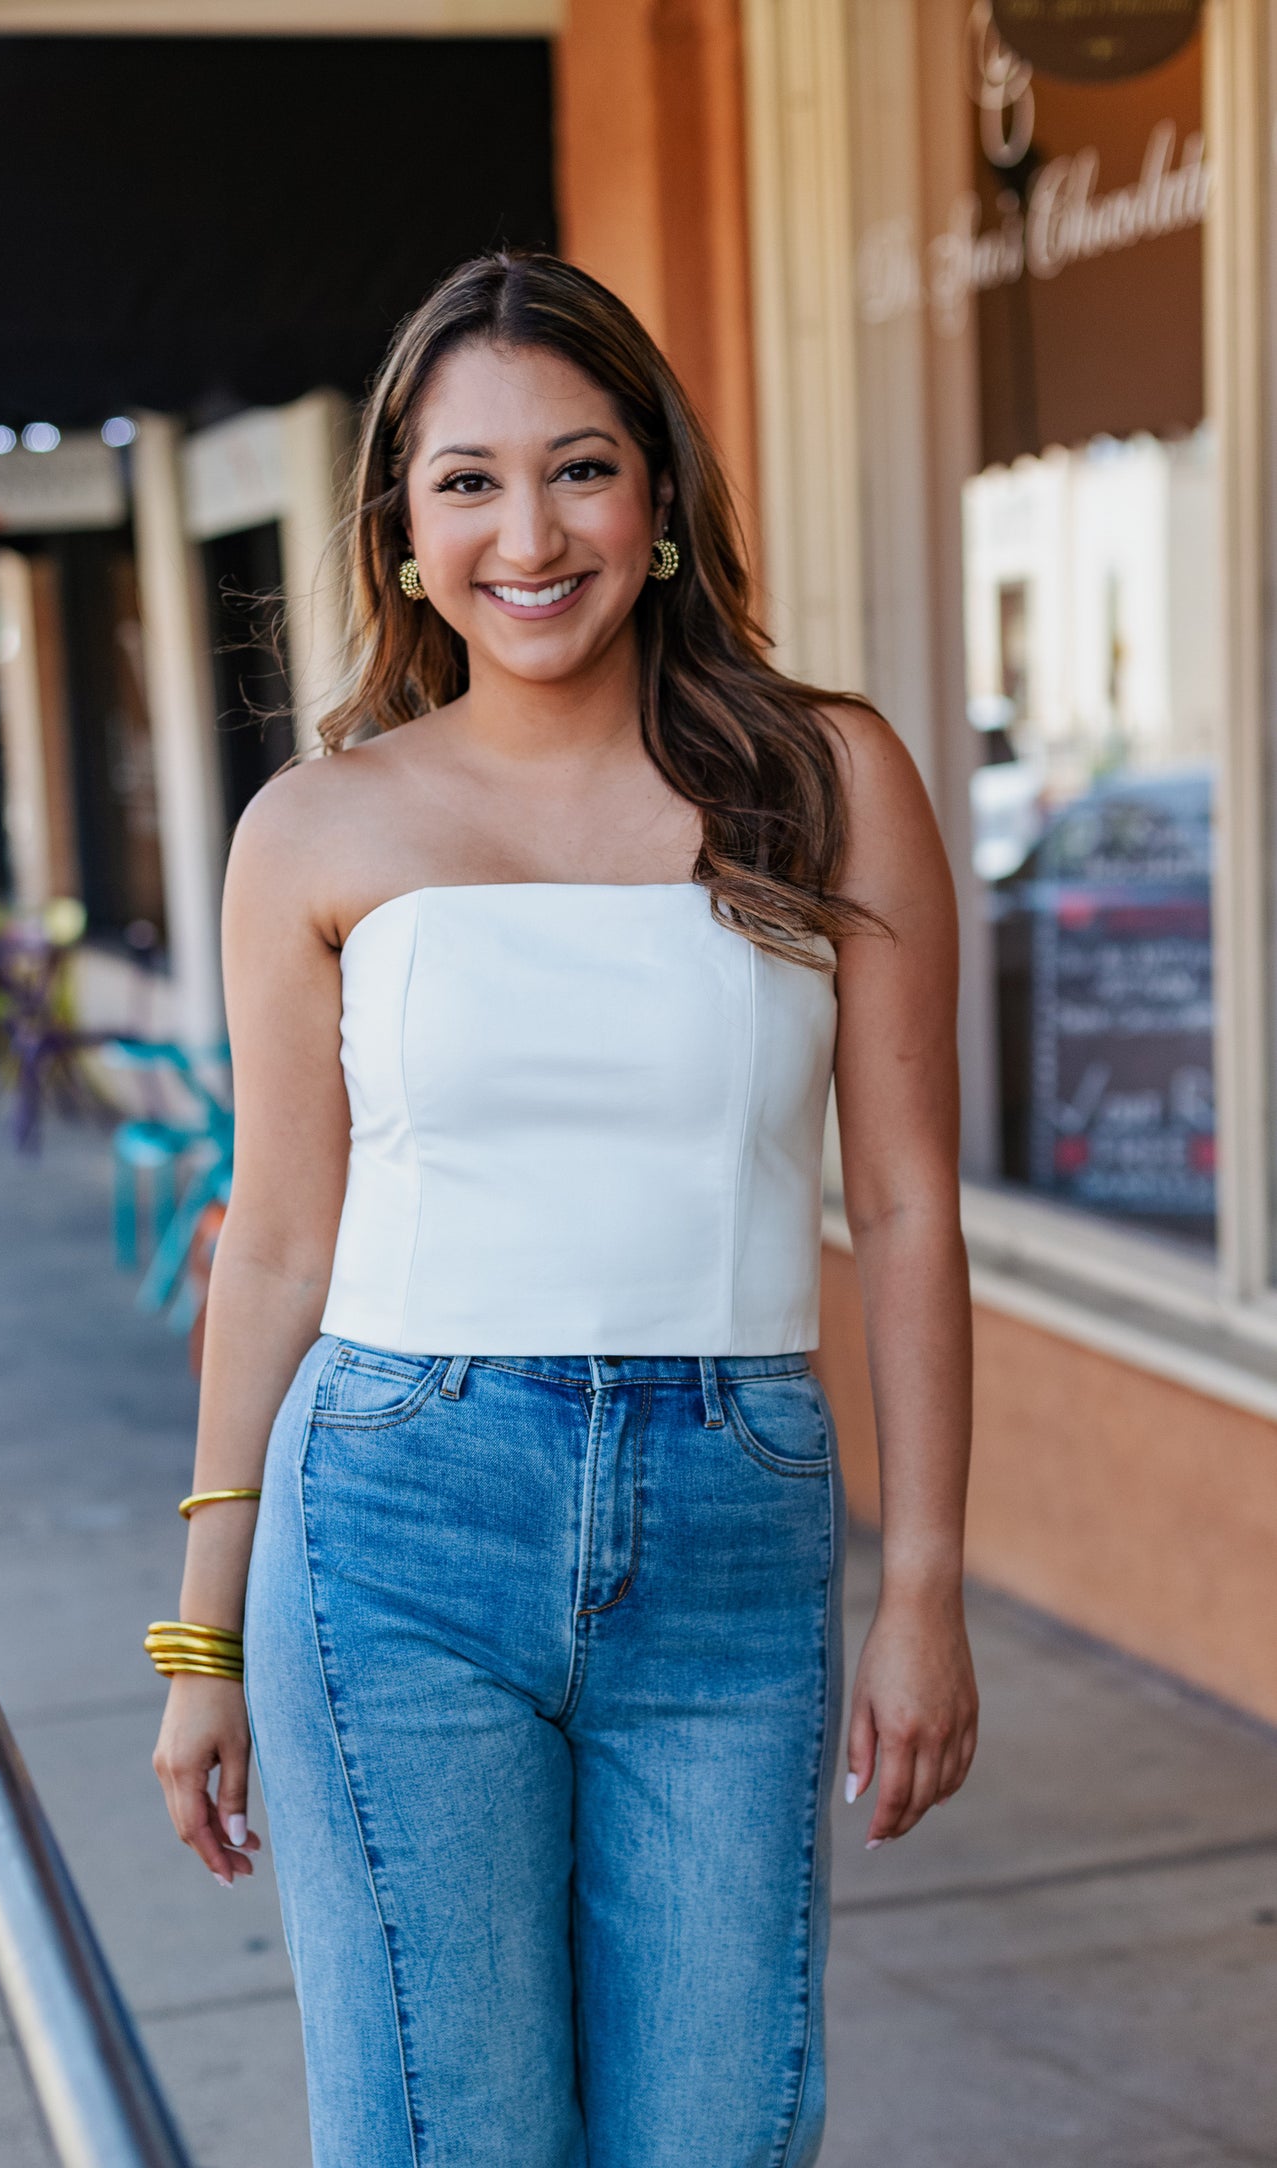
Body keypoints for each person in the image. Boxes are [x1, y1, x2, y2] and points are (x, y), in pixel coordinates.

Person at [150, 250, 977, 2168]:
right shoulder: (317, 826)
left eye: (580, 467)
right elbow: (273, 1236)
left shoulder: (823, 777)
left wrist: (923, 1586)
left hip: (736, 1523)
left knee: (721, 2131)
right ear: (404, 528)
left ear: (662, 499)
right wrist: (201, 1648)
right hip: (390, 1521)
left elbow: (913, 1206)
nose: (528, 533)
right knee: (450, 2132)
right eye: (465, 482)